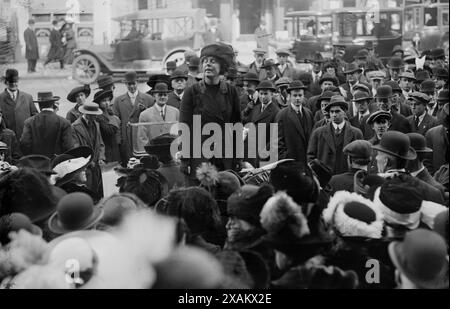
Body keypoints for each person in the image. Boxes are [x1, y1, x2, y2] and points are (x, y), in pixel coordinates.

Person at [179, 43, 241, 186]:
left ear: (222, 66)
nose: (207, 64)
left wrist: (238, 158)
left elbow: (237, 126)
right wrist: (185, 159)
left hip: (225, 156)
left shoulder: (231, 92)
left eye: (213, 61)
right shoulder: (192, 92)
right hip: (199, 157)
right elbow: (185, 128)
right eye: (205, 61)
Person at [307, 95, 363, 175]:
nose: (334, 114)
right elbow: (310, 157)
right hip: (325, 178)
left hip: (346, 177)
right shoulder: (318, 133)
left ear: (344, 112)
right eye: (331, 112)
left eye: (337, 111)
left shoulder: (356, 133)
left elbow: (361, 158)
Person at [112, 71, 154, 167]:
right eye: (129, 84)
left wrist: (145, 110)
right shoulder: (118, 101)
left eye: (133, 83)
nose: (131, 86)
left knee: (143, 166)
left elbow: (153, 120)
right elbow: (116, 123)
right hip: (126, 140)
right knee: (129, 167)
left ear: (137, 82)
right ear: (125, 84)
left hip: (143, 139)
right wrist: (119, 141)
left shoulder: (148, 99)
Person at [20, 92, 73, 159]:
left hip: (36, 164)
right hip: (56, 164)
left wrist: (32, 157)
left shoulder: (29, 122)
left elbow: (24, 143)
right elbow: (68, 147)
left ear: (39, 105)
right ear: (53, 104)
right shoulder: (64, 123)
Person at [242, 80, 280, 168]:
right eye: (261, 94)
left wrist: (265, 152)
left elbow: (275, 137)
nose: (263, 96)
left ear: (272, 94)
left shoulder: (276, 112)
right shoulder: (256, 108)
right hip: (250, 151)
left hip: (263, 154)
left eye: (266, 94)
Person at [72, 102, 106, 199]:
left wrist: (101, 157)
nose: (95, 117)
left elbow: (101, 144)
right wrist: (88, 161)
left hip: (97, 167)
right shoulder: (75, 127)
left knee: (97, 191)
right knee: (87, 193)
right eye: (93, 116)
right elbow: (76, 149)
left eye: (96, 115)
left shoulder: (96, 124)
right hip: (84, 168)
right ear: (86, 114)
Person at [277, 80, 314, 168]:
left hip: (306, 162)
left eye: (300, 95)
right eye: (295, 95)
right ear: (289, 96)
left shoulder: (308, 113)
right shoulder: (282, 114)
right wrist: (285, 158)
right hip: (290, 162)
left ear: (304, 96)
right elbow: (278, 142)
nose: (297, 98)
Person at [138, 83, 179, 152]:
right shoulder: (144, 115)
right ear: (154, 96)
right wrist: (146, 155)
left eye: (165, 95)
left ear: (168, 97)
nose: (162, 97)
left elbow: (179, 133)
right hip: (154, 153)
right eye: (160, 95)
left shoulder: (175, 112)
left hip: (172, 152)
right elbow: (142, 138)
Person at [0, 69, 39, 139]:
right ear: (6, 82)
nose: (14, 84)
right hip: (8, 142)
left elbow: (35, 117)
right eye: (11, 82)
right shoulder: (0, 99)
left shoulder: (28, 97)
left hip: (25, 140)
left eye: (16, 81)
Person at [93, 90, 121, 163]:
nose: (107, 103)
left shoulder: (111, 114)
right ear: (98, 103)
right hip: (104, 149)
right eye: (104, 101)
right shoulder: (97, 117)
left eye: (108, 100)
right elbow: (109, 131)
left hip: (114, 148)